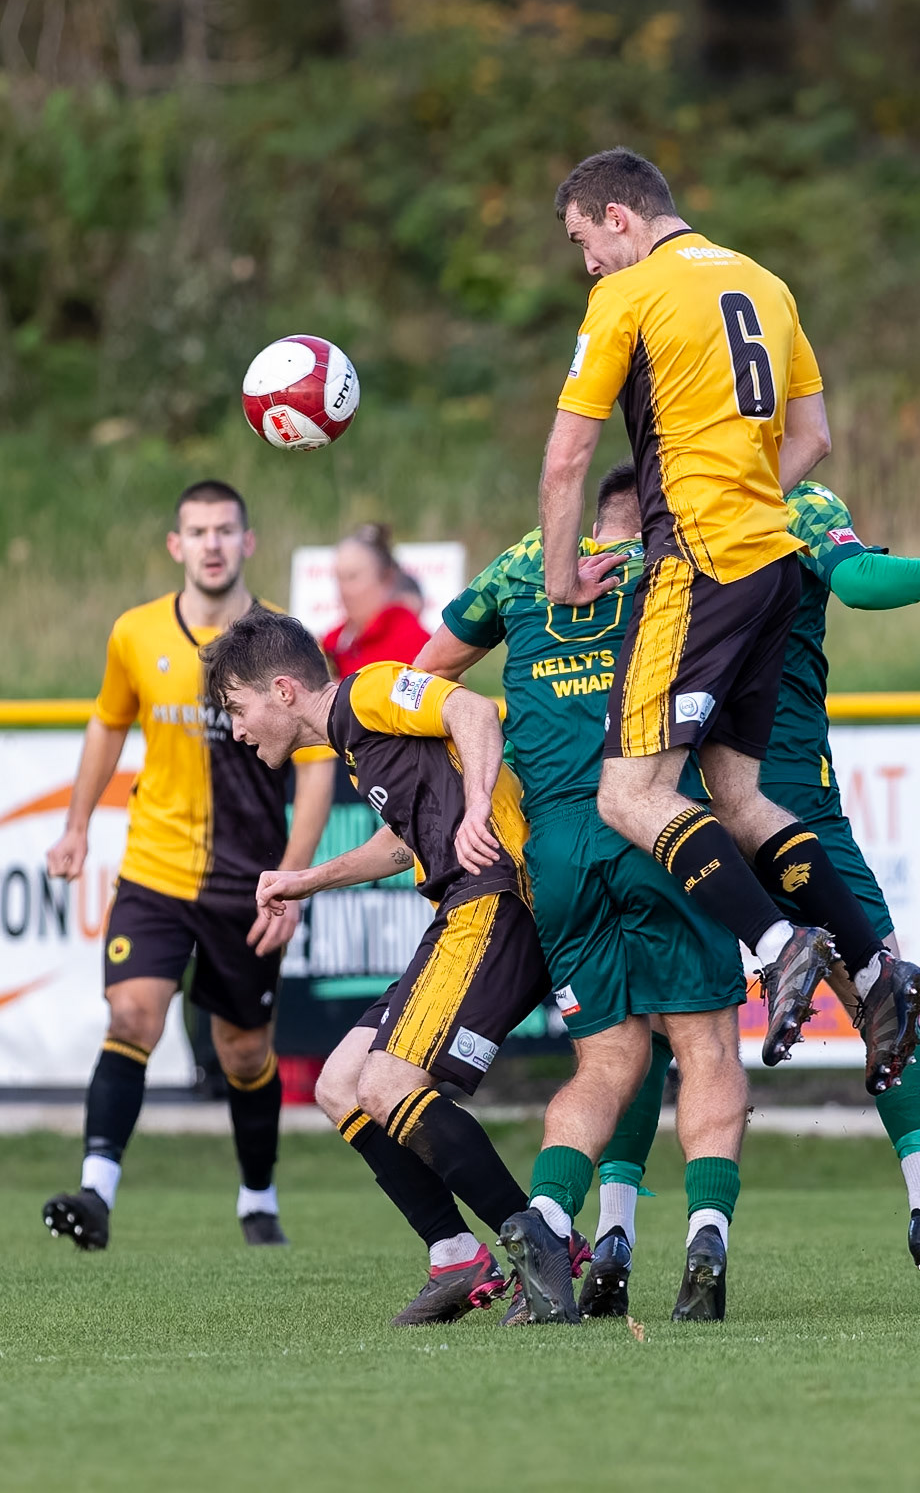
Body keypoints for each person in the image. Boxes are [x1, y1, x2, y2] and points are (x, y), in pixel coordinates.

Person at [571, 474, 920, 1293]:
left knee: (657, 1024)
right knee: (882, 990)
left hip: (673, 807)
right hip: (789, 806)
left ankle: (614, 1235)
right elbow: (858, 580)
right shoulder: (789, 502)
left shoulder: (669, 511)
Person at [539, 146, 920, 1094]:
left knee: (626, 796)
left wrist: (561, 579)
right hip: (770, 566)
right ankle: (877, 969)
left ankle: (778, 940)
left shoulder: (626, 296)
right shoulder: (765, 282)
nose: (585, 262)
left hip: (700, 567)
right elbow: (815, 437)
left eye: (583, 239)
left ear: (618, 218)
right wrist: (753, 502)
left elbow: (565, 459)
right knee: (740, 796)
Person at [417, 465, 775, 1323]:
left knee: (606, 1060)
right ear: (651, 520)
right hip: (653, 827)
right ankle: (705, 1237)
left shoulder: (520, 568)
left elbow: (426, 677)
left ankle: (544, 1220)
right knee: (706, 1045)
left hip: (560, 852)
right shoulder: (676, 572)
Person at [200, 607, 556, 1326]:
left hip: (494, 901)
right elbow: (404, 844)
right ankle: (456, 1254)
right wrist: (302, 880)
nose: (236, 729)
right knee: (340, 1084)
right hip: (458, 908)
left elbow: (471, 711)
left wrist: (479, 808)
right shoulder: (357, 741)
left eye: (238, 709)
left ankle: (544, 1248)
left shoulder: (368, 693)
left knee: (390, 1084)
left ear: (284, 690)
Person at [43, 481, 335, 1251]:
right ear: (176, 545)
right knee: (133, 1014)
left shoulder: (281, 645)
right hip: (155, 869)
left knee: (243, 1050)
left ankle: (258, 1196)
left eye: (225, 529)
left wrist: (296, 875)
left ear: (249, 542)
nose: (211, 543)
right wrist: (75, 827)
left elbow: (313, 766)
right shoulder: (135, 633)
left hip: (249, 883)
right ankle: (97, 1192)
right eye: (197, 530)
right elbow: (107, 725)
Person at [322, 523, 429, 677]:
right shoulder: (331, 643)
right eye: (339, 578)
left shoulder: (415, 643)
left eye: (353, 577)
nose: (343, 590)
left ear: (386, 578)